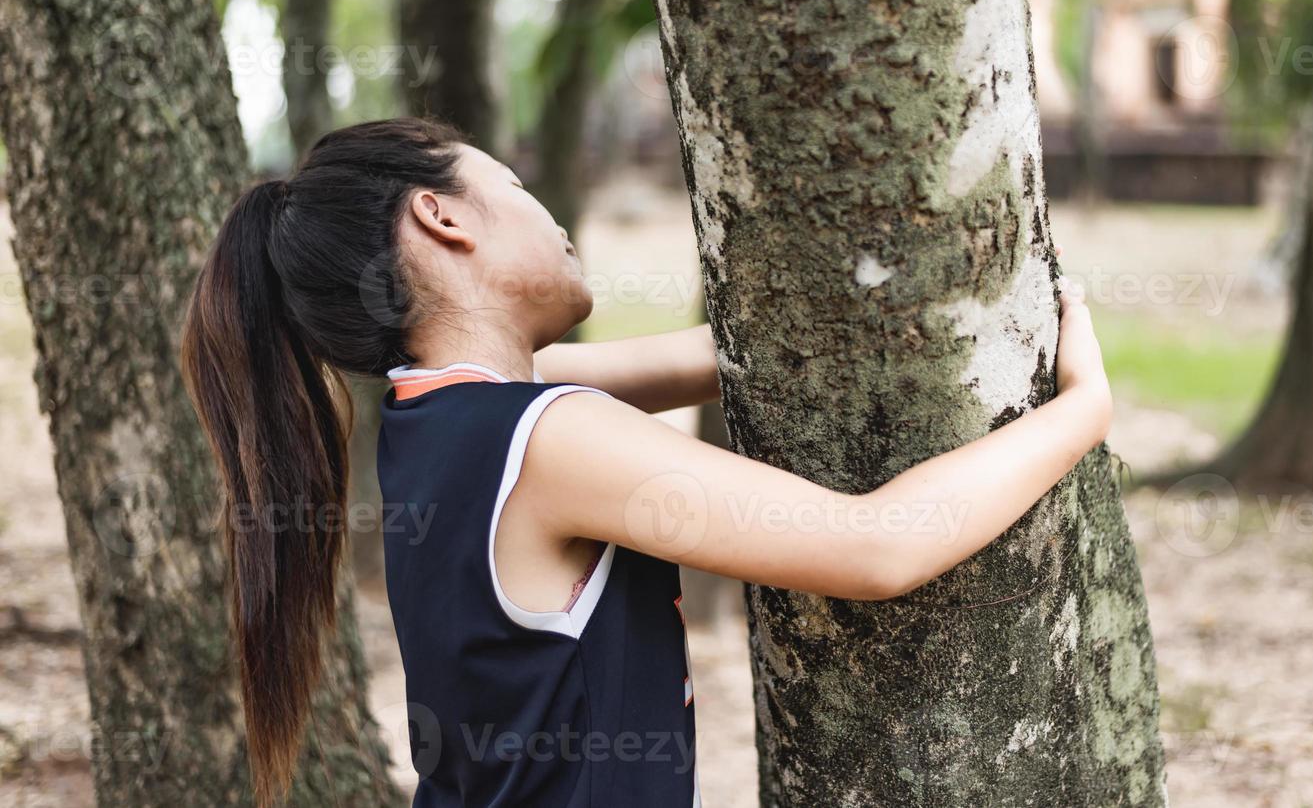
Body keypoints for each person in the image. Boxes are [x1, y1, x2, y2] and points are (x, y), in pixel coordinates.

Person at [180, 117, 1112, 807]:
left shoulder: (437, 412)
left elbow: (719, 356)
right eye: (516, 183)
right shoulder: (548, 438)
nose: (553, 215)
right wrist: (1082, 411)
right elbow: (874, 548)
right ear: (441, 215)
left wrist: (909, 305)